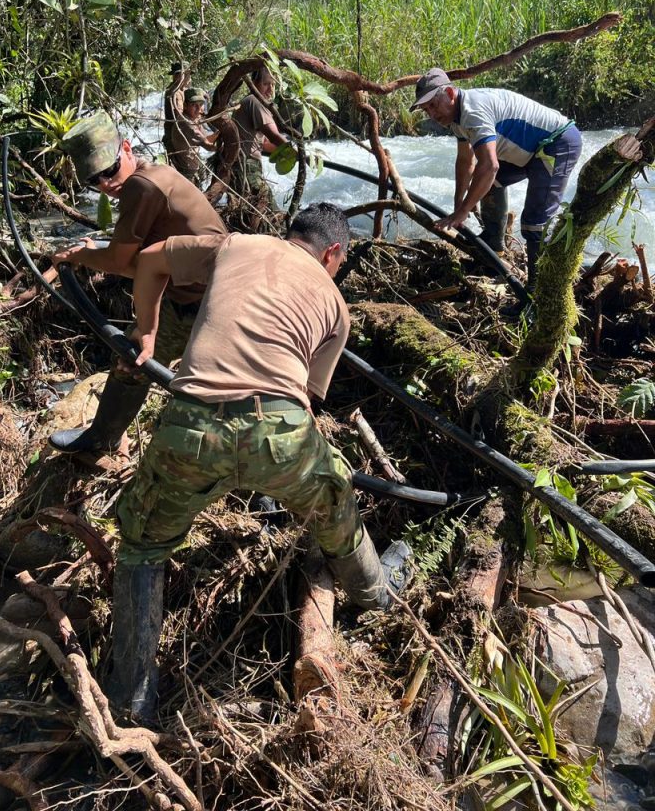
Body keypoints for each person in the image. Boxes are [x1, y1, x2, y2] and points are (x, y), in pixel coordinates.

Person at [107, 202, 410, 721]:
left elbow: (152, 259)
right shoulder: (336, 306)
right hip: (280, 434)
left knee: (141, 548)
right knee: (336, 506)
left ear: (290, 234)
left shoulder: (235, 245)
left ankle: (131, 700)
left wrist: (147, 332)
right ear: (333, 252)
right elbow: (306, 405)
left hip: (190, 426)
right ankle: (375, 597)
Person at [48, 110, 226, 454]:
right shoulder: (151, 176)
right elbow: (142, 264)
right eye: (93, 180)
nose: (105, 184)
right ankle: (102, 438)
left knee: (227, 392)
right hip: (188, 295)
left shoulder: (142, 187)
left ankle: (257, 483)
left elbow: (117, 262)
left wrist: (76, 256)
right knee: (131, 360)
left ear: (127, 149)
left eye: (110, 170)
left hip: (214, 306)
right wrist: (90, 251)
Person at [410, 68, 582, 294]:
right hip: (531, 151)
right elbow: (465, 162)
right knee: (486, 185)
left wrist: (463, 212)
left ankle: (538, 294)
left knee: (534, 222)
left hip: (557, 142)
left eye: (433, 105)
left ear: (450, 93)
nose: (432, 114)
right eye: (426, 109)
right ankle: (493, 246)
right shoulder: (456, 118)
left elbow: (489, 166)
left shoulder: (473, 111)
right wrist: (457, 204)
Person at [231, 66, 288, 210]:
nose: (270, 89)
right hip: (246, 165)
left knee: (248, 210)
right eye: (266, 84)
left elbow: (263, 143)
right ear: (254, 83)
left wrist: (285, 150)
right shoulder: (254, 102)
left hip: (240, 165)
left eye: (273, 84)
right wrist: (296, 152)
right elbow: (274, 136)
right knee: (270, 209)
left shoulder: (248, 101)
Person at [164, 87, 215, 185]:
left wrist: (219, 134)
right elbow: (209, 146)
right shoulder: (187, 124)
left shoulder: (193, 120)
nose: (199, 109)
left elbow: (207, 138)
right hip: (186, 174)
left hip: (190, 169)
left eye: (201, 105)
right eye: (194, 105)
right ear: (185, 105)